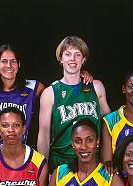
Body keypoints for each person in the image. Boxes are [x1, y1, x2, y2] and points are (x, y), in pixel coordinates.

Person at [37, 36, 111, 171]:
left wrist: (108, 160)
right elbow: (44, 134)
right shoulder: (50, 93)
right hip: (61, 162)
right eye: (68, 54)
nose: (73, 59)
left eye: (77, 55)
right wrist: (43, 169)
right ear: (60, 59)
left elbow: (110, 125)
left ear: (83, 60)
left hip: (93, 161)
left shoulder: (97, 87)